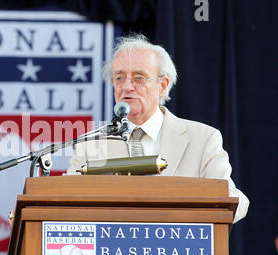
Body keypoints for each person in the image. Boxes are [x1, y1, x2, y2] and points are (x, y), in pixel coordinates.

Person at [66, 33, 249, 223]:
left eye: (139, 77)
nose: (127, 86)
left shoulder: (203, 139)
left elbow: (235, 201)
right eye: (119, 77)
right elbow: (63, 200)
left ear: (162, 86)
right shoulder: (91, 143)